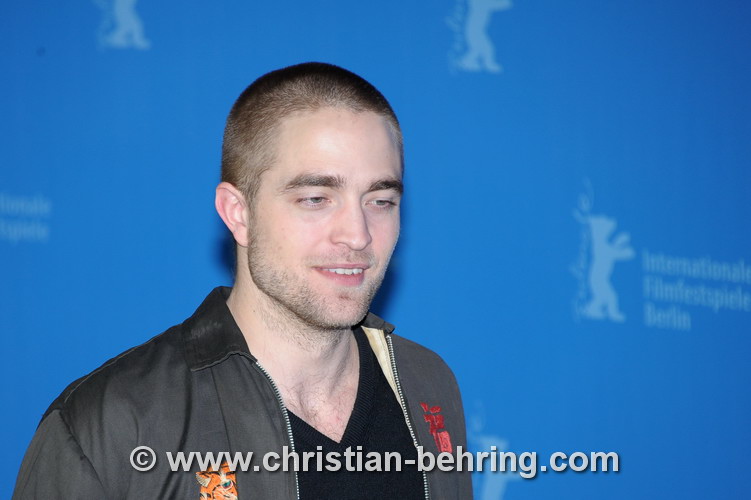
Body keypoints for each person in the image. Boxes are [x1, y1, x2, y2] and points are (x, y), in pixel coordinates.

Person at [13, 62, 471, 499]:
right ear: (238, 213)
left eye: (381, 201)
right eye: (316, 198)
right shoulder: (111, 423)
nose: (358, 234)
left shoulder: (427, 384)